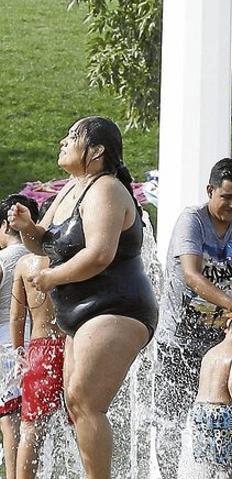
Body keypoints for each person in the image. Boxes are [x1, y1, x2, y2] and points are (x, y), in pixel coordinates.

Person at [7, 116, 158, 478]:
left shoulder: (106, 189)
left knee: (84, 400)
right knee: (76, 405)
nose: (63, 140)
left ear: (97, 151)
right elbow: (46, 244)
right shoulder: (73, 188)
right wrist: (29, 228)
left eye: (73, 136)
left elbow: (100, 253)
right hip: (80, 315)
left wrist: (50, 278)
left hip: (116, 306)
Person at [154, 157, 232, 478]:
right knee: (170, 422)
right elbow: (191, 275)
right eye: (227, 197)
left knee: (215, 421)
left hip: (215, 345)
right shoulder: (191, 221)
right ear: (210, 190)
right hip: (176, 340)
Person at [10, 254, 64, 479]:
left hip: (39, 350)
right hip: (73, 344)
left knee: (31, 428)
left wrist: (19, 354)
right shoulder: (70, 256)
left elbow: (16, 316)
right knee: (83, 421)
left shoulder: (24, 264)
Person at [190, 311, 232, 478]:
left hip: (199, 411)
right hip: (221, 413)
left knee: (205, 464)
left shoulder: (210, 353)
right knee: (223, 466)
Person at [0, 195, 39, 477]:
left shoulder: (3, 259)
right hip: (37, 341)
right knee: (31, 418)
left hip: (7, 345)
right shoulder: (39, 256)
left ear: (4, 226)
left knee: (9, 418)